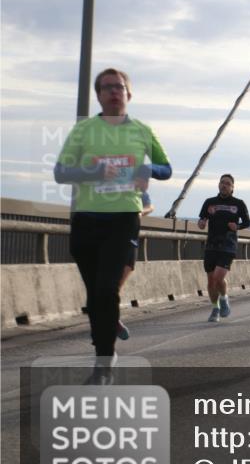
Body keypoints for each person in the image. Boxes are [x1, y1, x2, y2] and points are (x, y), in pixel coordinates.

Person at [54, 67, 172, 380]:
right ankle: (105, 349)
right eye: (107, 87)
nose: (114, 91)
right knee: (95, 294)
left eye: (119, 86)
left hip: (123, 218)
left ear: (128, 94)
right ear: (99, 95)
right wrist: (93, 173)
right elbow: (61, 172)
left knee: (107, 289)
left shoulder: (142, 130)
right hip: (86, 218)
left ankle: (104, 363)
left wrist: (147, 170)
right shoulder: (83, 131)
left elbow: (166, 168)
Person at [199, 174, 250, 322]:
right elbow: (202, 219)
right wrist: (202, 223)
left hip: (228, 245)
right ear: (218, 185)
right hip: (211, 245)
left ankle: (224, 298)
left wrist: (238, 226)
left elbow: (247, 222)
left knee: (218, 277)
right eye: (222, 183)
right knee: (211, 281)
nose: (224, 185)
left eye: (228, 184)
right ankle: (215, 308)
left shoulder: (239, 203)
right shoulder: (210, 202)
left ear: (232, 187)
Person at [115, 189, 155, 341]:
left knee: (116, 288)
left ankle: (113, 320)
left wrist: (141, 211)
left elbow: (150, 206)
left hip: (130, 243)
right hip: (108, 241)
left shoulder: (138, 188)